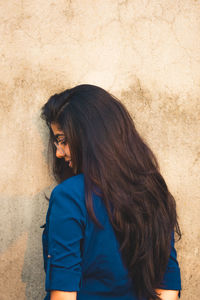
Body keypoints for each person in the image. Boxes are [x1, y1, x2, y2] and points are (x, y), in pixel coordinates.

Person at [40, 84, 182, 300]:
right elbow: (167, 284)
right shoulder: (153, 190)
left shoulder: (69, 196)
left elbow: (63, 292)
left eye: (62, 140)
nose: (58, 153)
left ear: (88, 137)